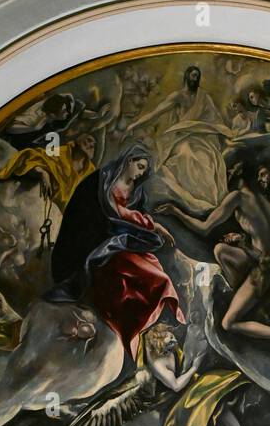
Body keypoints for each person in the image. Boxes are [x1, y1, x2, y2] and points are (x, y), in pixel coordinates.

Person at [47, 144, 183, 358]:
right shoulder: (101, 181)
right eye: (139, 166)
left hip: (121, 240)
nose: (139, 173)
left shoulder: (136, 190)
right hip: (99, 241)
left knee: (153, 268)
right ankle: (130, 326)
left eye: (143, 171)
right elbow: (103, 212)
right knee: (134, 273)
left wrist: (146, 225)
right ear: (128, 160)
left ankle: (149, 317)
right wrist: (152, 225)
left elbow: (132, 214)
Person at [158, 160, 270, 355]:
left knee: (228, 322)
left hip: (267, 269)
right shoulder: (261, 198)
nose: (226, 175)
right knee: (220, 250)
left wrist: (175, 211)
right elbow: (262, 240)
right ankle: (239, 293)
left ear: (239, 171)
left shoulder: (237, 196)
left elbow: (205, 228)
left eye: (230, 169)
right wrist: (242, 240)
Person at [131, 64, 231, 210]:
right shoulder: (178, 96)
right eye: (193, 75)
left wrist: (224, 133)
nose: (195, 79)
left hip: (199, 137)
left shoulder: (204, 98)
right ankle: (192, 200)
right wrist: (134, 126)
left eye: (197, 76)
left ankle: (208, 199)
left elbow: (215, 119)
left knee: (208, 157)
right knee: (186, 153)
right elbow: (155, 113)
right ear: (186, 77)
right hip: (179, 138)